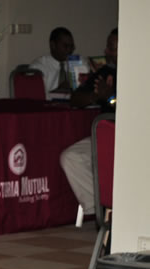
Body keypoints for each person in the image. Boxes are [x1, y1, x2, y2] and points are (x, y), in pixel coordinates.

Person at [60, 28, 117, 215]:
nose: (106, 51)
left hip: (133, 139)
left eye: (111, 48)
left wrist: (110, 98)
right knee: (71, 157)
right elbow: (75, 99)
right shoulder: (105, 72)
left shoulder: (140, 74)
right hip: (107, 136)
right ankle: (99, 212)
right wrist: (94, 95)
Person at [29, 27, 76, 98]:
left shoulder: (76, 63)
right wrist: (58, 91)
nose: (69, 50)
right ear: (53, 45)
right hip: (47, 108)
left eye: (71, 46)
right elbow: (37, 98)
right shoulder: (38, 67)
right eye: (65, 46)